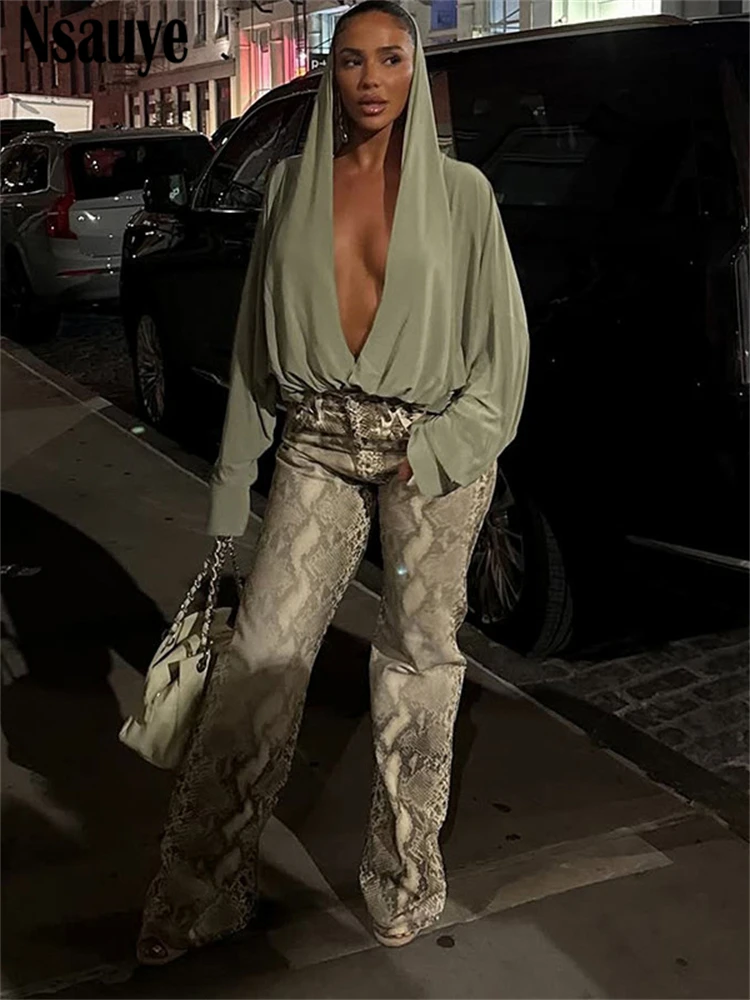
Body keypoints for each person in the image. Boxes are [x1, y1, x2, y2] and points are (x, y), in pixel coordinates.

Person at [137, 0, 529, 965]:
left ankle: (404, 877)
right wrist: (231, 490)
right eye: (351, 60)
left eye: (391, 58)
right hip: (314, 443)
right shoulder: (289, 189)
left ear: (416, 70)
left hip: (428, 451)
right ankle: (202, 895)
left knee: (417, 664)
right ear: (330, 74)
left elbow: (502, 356)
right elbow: (253, 350)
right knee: (257, 668)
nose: (370, 79)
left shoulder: (465, 196)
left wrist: (440, 449)